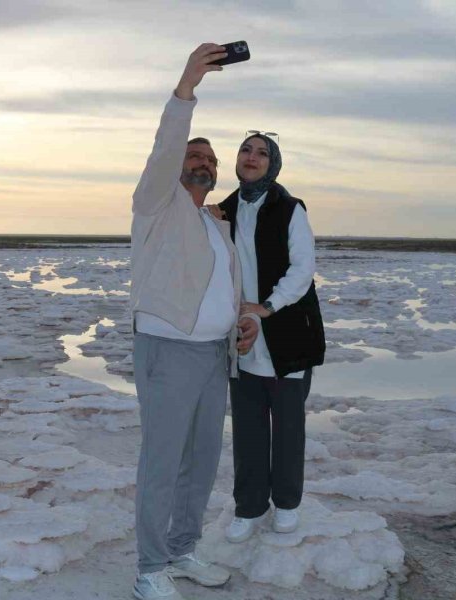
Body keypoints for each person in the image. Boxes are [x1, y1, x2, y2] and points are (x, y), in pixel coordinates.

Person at [130, 43, 260, 600]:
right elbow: (165, 146)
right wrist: (188, 84)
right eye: (195, 155)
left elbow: (220, 284)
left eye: (209, 159)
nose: (204, 162)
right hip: (168, 351)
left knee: (202, 462)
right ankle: (149, 570)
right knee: (163, 463)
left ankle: (183, 550)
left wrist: (243, 318)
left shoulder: (215, 223)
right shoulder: (156, 203)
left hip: (213, 356)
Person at [215, 131, 326, 543]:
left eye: (262, 152)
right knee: (247, 430)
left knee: (287, 430)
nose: (252, 157)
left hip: (286, 337)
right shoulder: (222, 211)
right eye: (246, 150)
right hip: (240, 338)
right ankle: (248, 507)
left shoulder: (290, 209)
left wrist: (267, 307)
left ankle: (287, 504)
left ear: (273, 163)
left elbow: (302, 271)